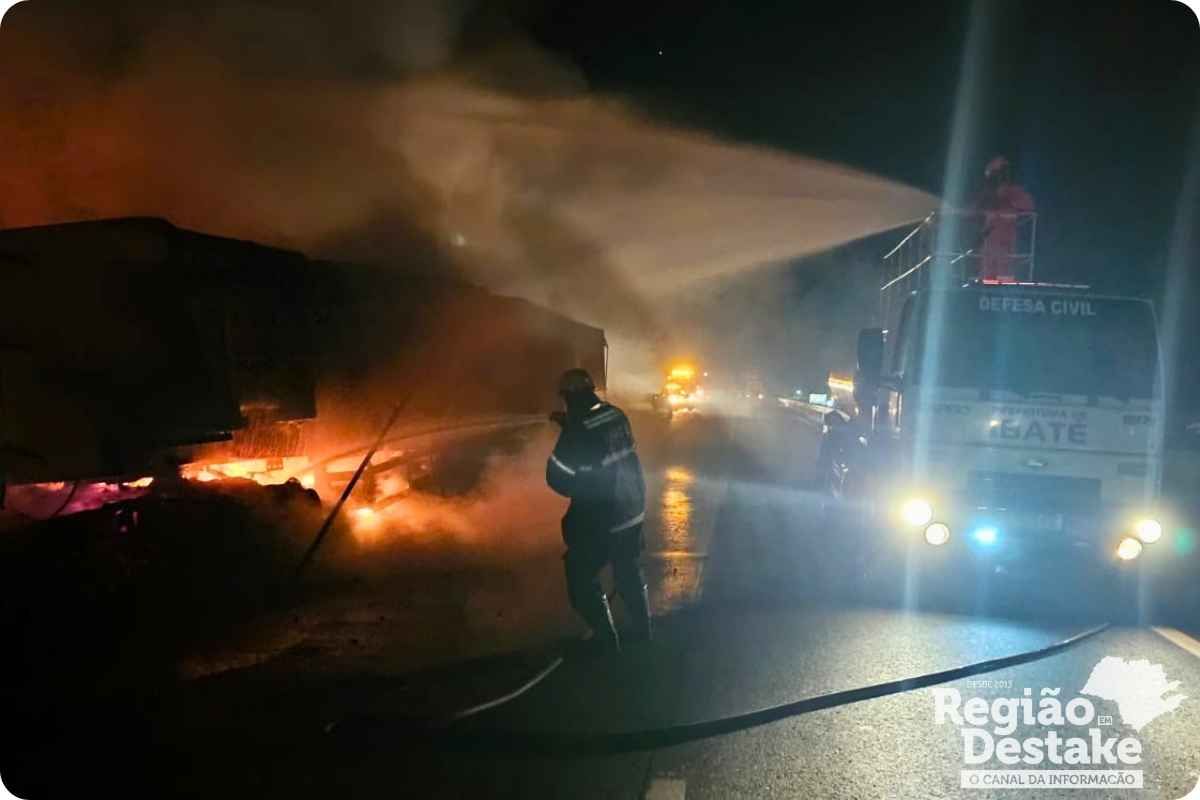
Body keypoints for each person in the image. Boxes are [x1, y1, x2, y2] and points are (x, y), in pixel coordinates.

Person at [546, 368, 651, 651]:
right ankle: (644, 630)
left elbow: (556, 476)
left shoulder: (578, 429)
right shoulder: (616, 415)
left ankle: (605, 639)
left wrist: (570, 433)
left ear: (569, 397)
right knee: (627, 570)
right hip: (632, 508)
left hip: (603, 518)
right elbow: (601, 439)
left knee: (579, 574)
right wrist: (571, 426)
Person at [972, 155, 1035, 281]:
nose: (999, 177)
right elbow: (976, 209)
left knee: (1004, 268)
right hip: (990, 236)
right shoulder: (986, 194)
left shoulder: (1016, 192)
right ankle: (987, 284)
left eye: (1000, 173)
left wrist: (1008, 197)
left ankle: (1003, 286)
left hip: (1005, 236)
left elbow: (1028, 207)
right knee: (988, 268)